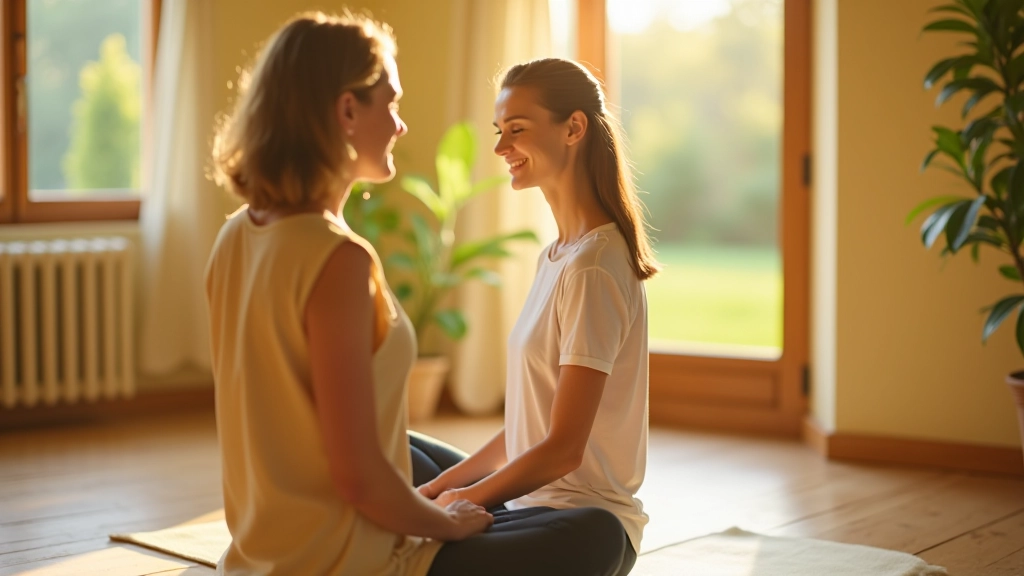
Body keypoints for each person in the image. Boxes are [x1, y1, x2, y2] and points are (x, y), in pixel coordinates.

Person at [207, 13, 628, 576]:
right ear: (348, 111)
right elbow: (358, 474)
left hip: (265, 548)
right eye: (393, 104)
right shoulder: (338, 260)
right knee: (595, 535)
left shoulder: (236, 234)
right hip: (351, 558)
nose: (402, 126)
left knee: (404, 447)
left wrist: (444, 498)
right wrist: (444, 520)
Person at [415, 58, 660, 576]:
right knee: (403, 449)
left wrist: (453, 505)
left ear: (573, 127)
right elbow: (527, 431)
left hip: (570, 519)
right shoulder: (556, 256)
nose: (501, 148)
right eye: (499, 132)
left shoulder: (594, 266)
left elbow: (562, 450)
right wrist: (439, 491)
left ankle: (413, 550)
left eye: (517, 131)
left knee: (590, 535)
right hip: (520, 508)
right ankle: (423, 547)